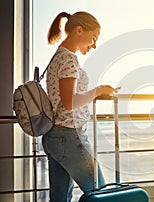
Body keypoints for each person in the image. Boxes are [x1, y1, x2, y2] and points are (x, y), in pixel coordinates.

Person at [42, 11, 117, 201]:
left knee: (60, 198)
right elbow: (69, 103)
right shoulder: (68, 59)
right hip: (69, 136)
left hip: (56, 136)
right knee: (100, 193)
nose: (94, 45)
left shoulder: (58, 56)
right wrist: (98, 91)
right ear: (79, 30)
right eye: (93, 38)